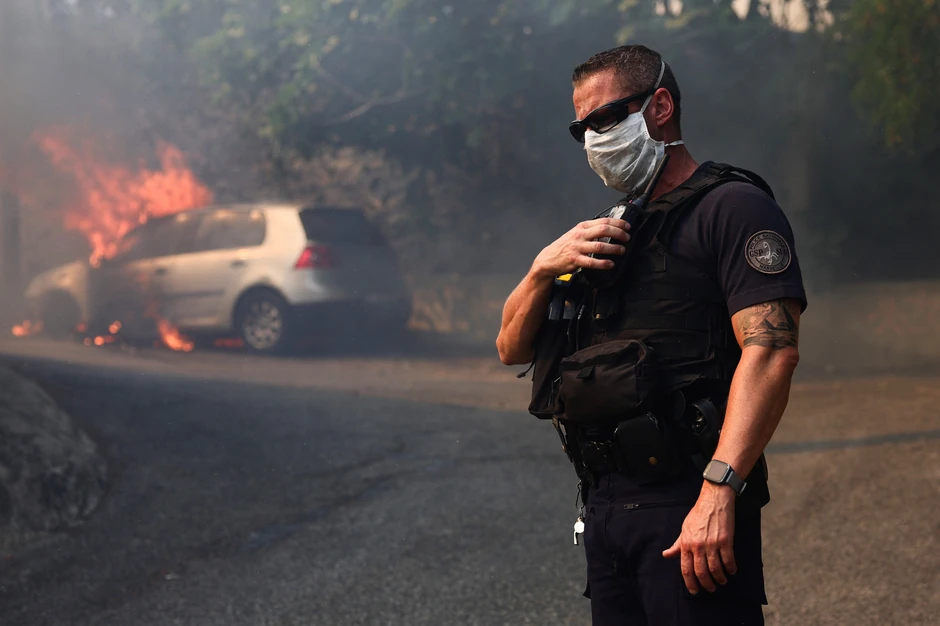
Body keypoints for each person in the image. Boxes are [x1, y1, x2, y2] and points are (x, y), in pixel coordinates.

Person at [496, 45, 807, 625]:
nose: (593, 139)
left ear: (659, 105)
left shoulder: (733, 208)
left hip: (689, 496)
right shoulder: (609, 231)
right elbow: (510, 347)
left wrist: (719, 491)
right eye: (580, 128)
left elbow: (772, 350)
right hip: (608, 505)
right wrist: (542, 267)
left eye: (605, 119)